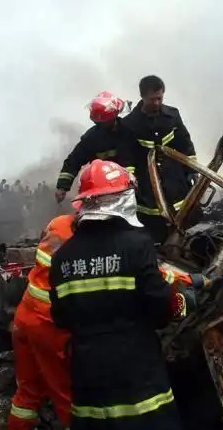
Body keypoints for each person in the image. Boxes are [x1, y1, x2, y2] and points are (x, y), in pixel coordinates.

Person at [49, 159, 186, 430]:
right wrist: (182, 303)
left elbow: (60, 318)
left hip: (87, 371)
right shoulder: (136, 245)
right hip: (135, 368)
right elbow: (159, 307)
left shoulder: (62, 257)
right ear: (122, 199)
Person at [8, 214, 75, 430]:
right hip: (49, 324)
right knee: (68, 395)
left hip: (25, 315)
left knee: (27, 393)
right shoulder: (88, 238)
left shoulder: (58, 223)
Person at [117, 75, 197, 243]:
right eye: (152, 99)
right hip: (146, 184)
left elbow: (185, 144)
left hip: (175, 180)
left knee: (187, 222)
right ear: (142, 96)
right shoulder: (129, 124)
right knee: (153, 226)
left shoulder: (173, 115)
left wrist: (192, 170)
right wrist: (130, 179)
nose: (157, 103)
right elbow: (126, 156)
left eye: (160, 98)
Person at [55, 91, 132, 203]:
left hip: (132, 186)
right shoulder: (91, 139)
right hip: (104, 189)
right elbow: (73, 161)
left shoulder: (129, 129)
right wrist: (62, 187)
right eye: (99, 122)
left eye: (103, 121)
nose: (101, 125)